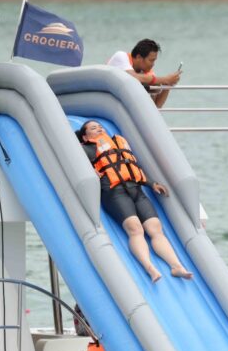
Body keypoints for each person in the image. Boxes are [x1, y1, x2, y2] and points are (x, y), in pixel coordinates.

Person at [77, 120, 191, 283]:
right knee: (135, 228)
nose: (99, 129)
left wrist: (152, 184)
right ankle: (150, 268)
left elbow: (133, 167)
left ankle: (176, 266)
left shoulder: (118, 144)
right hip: (114, 193)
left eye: (100, 127)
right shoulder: (86, 150)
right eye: (93, 128)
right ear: (85, 136)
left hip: (136, 190)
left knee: (155, 227)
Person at [106, 39, 181, 108]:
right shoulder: (121, 56)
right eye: (151, 60)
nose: (153, 64)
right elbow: (134, 77)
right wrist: (165, 79)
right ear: (139, 57)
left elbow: (156, 106)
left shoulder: (147, 73)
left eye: (154, 61)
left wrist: (167, 85)